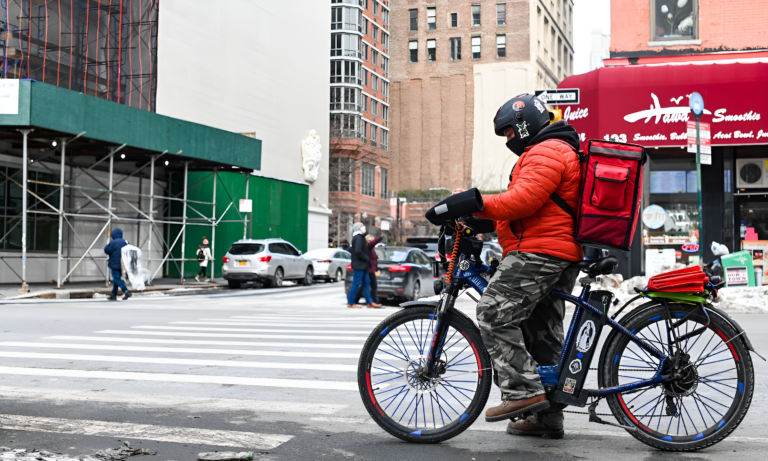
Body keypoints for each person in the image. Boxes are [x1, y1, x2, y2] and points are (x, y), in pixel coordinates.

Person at [452, 94, 583, 439]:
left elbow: (523, 200)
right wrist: (481, 220)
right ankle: (547, 418)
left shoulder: (547, 150)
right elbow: (534, 209)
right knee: (542, 335)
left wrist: (475, 202)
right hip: (552, 249)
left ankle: (522, 394)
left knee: (494, 313)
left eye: (509, 132)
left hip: (540, 253)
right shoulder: (552, 148)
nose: (509, 140)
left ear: (525, 125)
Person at [347, 223, 382, 309]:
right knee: (356, 283)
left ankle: (369, 302)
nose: (364, 227)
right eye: (362, 226)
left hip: (363, 265)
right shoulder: (358, 238)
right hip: (360, 265)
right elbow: (358, 251)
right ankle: (351, 302)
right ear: (359, 228)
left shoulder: (360, 237)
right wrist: (366, 258)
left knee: (367, 282)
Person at [103, 228, 131, 301]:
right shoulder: (126, 241)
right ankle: (113, 295)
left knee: (116, 279)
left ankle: (126, 291)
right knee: (116, 280)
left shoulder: (113, 242)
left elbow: (106, 250)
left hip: (115, 264)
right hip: (124, 264)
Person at [356, 234, 383, 305]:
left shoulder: (370, 248)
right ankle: (375, 300)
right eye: (370, 240)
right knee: (373, 285)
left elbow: (370, 256)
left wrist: (376, 257)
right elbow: (372, 244)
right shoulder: (368, 246)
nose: (371, 242)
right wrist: (379, 238)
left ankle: (355, 299)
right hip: (369, 269)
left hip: (370, 269)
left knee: (363, 285)